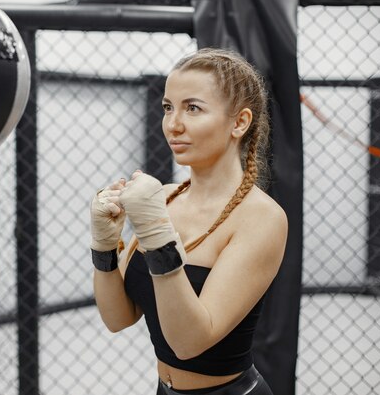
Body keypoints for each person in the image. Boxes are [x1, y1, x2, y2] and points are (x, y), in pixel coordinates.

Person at [89, 47, 288, 395]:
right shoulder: (164, 198)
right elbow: (118, 318)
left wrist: (156, 234)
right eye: (168, 107)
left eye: (192, 108)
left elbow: (189, 343)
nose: (173, 124)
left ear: (239, 122)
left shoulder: (262, 218)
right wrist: (104, 246)